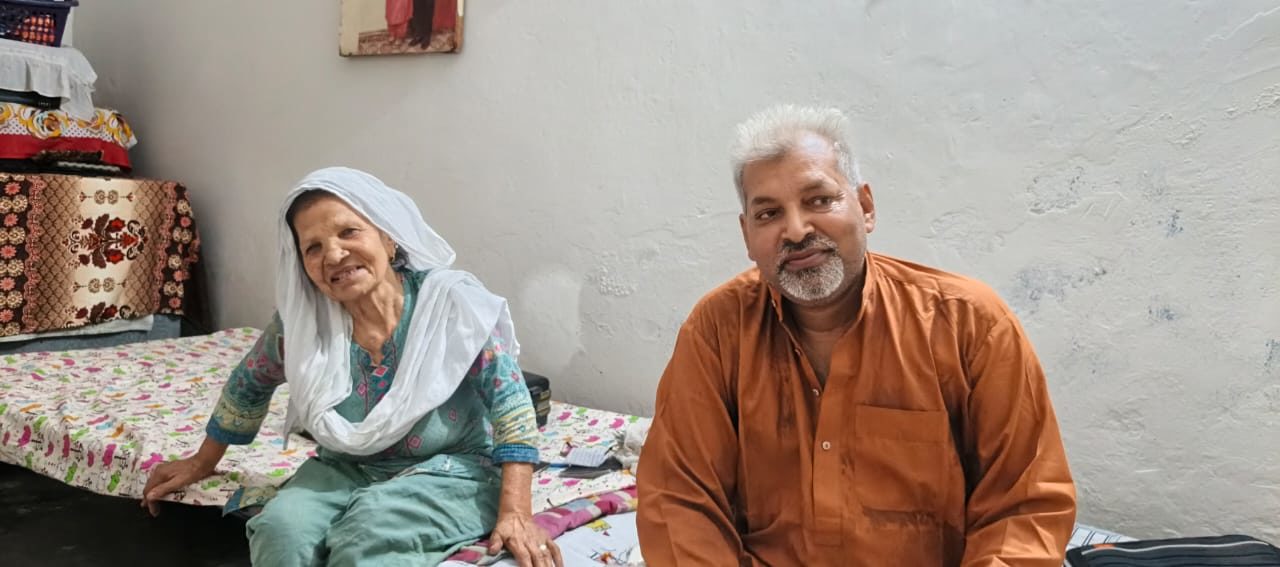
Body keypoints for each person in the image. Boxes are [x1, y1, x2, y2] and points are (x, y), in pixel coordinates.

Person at [636, 105, 1077, 566]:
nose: (797, 229)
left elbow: (1025, 507)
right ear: (747, 235)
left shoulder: (970, 324)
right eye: (768, 214)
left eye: (819, 200)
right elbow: (679, 500)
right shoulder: (717, 331)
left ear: (865, 207)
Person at [141, 167, 563, 567]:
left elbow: (510, 401)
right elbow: (250, 381)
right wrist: (202, 462)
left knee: (370, 531)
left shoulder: (448, 306)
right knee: (280, 529)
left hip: (450, 469)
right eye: (314, 247)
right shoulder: (304, 323)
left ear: (389, 239)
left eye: (349, 232)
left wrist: (516, 512)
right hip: (343, 469)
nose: (335, 255)